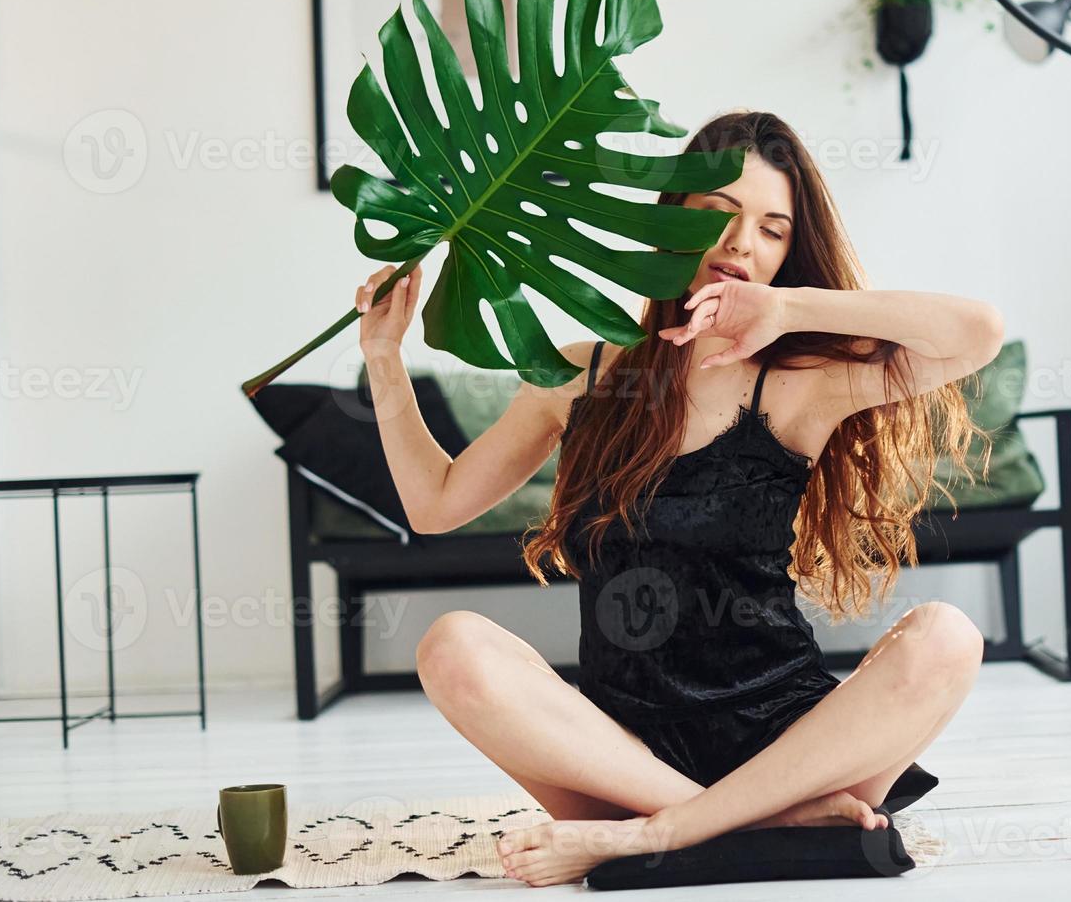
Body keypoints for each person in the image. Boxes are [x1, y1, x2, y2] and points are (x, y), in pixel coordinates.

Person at [355, 111, 1003, 887]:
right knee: (452, 645)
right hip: (623, 758)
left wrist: (791, 311)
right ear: (674, 227)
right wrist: (383, 357)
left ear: (790, 252)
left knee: (947, 636)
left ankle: (666, 836)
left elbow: (976, 333)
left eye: (771, 229)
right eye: (719, 217)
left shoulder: (800, 386)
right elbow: (436, 505)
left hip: (789, 745)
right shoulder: (578, 375)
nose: (740, 246)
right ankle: (754, 827)